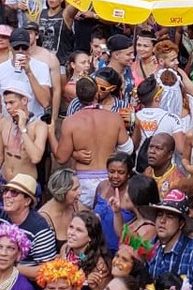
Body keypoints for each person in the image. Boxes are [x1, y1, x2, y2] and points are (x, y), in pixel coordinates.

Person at [51, 77, 132, 207]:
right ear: (97, 94)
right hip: (109, 178)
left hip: (83, 182)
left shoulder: (70, 122)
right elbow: (128, 150)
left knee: (83, 223)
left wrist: (51, 134)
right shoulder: (114, 118)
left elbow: (61, 158)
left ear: (77, 97)